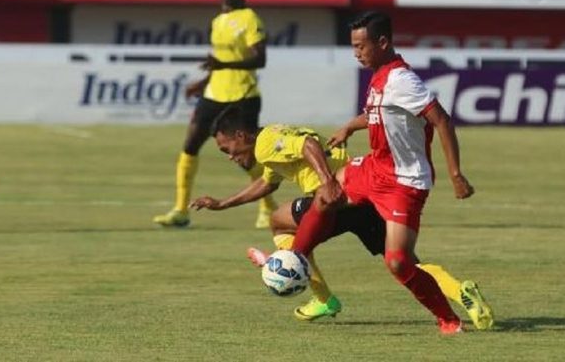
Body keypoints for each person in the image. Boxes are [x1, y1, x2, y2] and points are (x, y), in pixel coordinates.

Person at [190, 107, 494, 329]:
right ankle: (460, 290)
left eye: (227, 148)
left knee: (279, 222)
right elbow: (267, 183)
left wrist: (327, 182)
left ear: (240, 135)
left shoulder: (266, 143)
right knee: (405, 262)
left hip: (334, 197)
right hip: (361, 197)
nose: (229, 156)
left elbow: (308, 145)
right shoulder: (270, 145)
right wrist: (222, 204)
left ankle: (321, 297)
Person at [288, 11, 478, 334]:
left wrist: (456, 174)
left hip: (405, 181)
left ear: (383, 43)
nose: (356, 53)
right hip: (375, 168)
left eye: (361, 46)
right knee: (326, 194)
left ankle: (448, 319)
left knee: (398, 261)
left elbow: (442, 120)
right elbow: (376, 113)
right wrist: (350, 126)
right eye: (353, 46)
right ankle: (294, 260)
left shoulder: (402, 80)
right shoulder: (379, 75)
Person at [153, 0, 276, 228]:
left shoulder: (250, 18)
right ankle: (181, 211)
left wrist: (222, 65)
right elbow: (218, 62)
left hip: (242, 95)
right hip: (213, 94)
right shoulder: (218, 21)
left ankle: (267, 208)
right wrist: (203, 82)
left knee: (247, 157)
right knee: (190, 145)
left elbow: (260, 59)